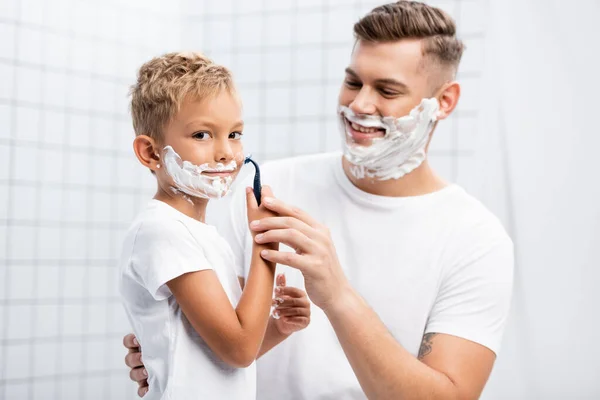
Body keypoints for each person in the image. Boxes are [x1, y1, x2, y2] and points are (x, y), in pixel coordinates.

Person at [124, 2, 514, 399]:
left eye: (387, 89)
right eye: (353, 81)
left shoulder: (476, 238)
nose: (360, 104)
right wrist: (168, 351)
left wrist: (337, 293)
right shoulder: (264, 190)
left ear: (444, 101)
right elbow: (223, 338)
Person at [120, 52, 310, 399]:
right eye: (203, 134)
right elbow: (238, 349)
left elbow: (227, 354)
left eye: (234, 134)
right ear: (151, 153)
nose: (226, 153)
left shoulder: (206, 238)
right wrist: (265, 248)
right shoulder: (162, 231)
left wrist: (278, 328)